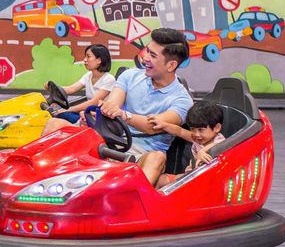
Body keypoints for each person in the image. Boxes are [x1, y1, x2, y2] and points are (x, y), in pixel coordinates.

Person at [43, 28, 193, 186]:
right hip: (107, 139)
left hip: (139, 153)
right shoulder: (130, 76)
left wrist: (124, 115)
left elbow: (152, 126)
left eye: (153, 55)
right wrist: (97, 115)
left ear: (171, 65)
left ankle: (132, 198)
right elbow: (112, 104)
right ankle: (41, 184)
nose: (145, 58)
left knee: (157, 158)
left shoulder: (182, 100)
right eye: (147, 51)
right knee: (55, 124)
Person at [149, 100, 226, 188]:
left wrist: (202, 152)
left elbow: (218, 145)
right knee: (159, 180)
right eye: (192, 129)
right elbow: (180, 131)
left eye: (201, 130)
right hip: (190, 175)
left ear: (217, 128)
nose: (196, 134)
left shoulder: (219, 140)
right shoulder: (198, 138)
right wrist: (164, 125)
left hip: (203, 181)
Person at [44, 44, 116, 125]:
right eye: (85, 57)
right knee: (56, 114)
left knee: (60, 116)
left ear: (99, 60)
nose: (84, 60)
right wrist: (53, 87)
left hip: (101, 118)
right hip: (88, 113)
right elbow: (71, 89)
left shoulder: (109, 79)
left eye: (88, 57)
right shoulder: (88, 75)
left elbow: (94, 102)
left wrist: (69, 109)